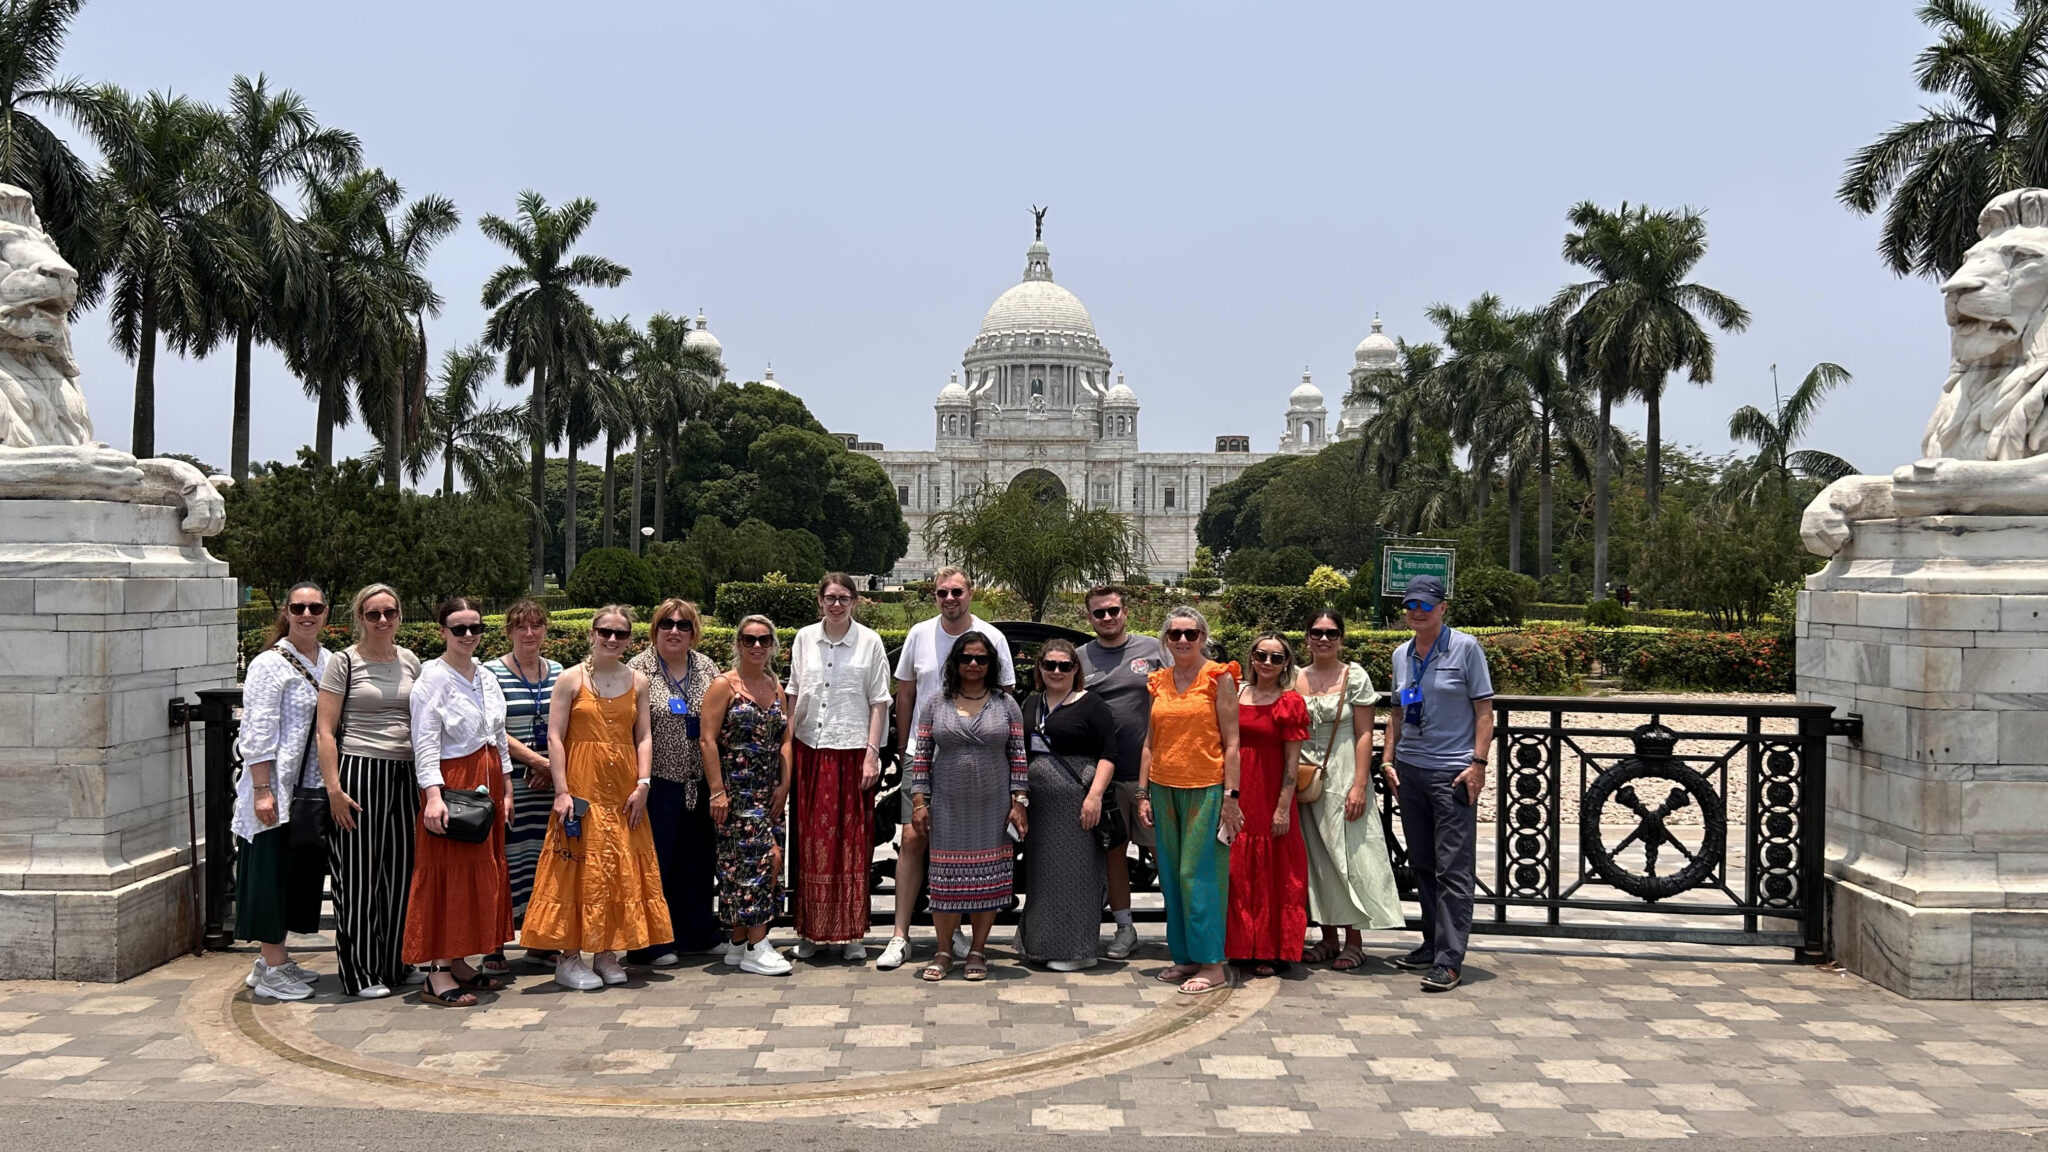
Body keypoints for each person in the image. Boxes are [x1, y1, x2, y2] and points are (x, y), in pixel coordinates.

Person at [520, 606, 672, 991]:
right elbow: (555, 737)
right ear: (592, 633)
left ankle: (607, 951)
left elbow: (643, 736)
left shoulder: (637, 681)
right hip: (582, 787)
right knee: (576, 866)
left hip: (622, 790)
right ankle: (569, 957)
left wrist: (643, 783)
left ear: (629, 639)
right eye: (605, 631)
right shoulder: (570, 679)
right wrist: (562, 790)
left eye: (620, 634)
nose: (612, 639)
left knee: (618, 865)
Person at [879, 566, 1017, 971]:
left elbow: (1005, 698)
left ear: (970, 593)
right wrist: (906, 747)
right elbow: (905, 692)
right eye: (942, 592)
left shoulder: (993, 637)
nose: (950, 598)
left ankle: (957, 934)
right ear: (934, 595)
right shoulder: (920, 633)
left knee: (972, 844)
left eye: (957, 591)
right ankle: (900, 934)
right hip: (925, 752)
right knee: (914, 837)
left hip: (978, 759)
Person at [1380, 575, 1494, 993]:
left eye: (1425, 605)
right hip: (1410, 770)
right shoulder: (1401, 654)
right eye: (1411, 604)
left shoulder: (1465, 648)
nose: (1417, 611)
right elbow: (1396, 712)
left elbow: (1484, 711)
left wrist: (1478, 764)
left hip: (1452, 773)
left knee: (1454, 869)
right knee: (1423, 863)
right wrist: (1388, 759)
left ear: (1443, 608)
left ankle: (1450, 959)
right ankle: (1431, 943)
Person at [403, 598, 515, 1008]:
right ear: (442, 633)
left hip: (486, 785)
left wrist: (507, 784)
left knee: (479, 875)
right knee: (448, 874)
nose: (469, 635)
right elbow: (426, 743)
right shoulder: (433, 679)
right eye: (459, 628)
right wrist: (433, 797)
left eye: (475, 627)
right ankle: (437, 971)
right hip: (453, 786)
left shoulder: (485, 676)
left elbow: (498, 736)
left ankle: (462, 960)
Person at [315, 583, 424, 998]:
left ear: (400, 615)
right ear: (359, 617)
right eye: (373, 614)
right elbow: (326, 731)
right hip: (360, 769)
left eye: (390, 613)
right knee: (358, 876)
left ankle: (396, 961)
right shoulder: (344, 662)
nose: (382, 621)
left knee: (400, 873)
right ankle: (359, 972)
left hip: (405, 773)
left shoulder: (410, 660)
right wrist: (334, 789)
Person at [233, 582, 331, 1000]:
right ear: (286, 612)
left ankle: (275, 960)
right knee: (269, 874)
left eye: (315, 607)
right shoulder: (268, 665)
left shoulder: (328, 661)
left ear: (326, 612)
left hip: (310, 787)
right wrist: (261, 789)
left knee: (296, 875)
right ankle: (272, 966)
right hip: (276, 785)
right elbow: (256, 728)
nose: (307, 614)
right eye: (299, 607)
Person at [909, 631, 1026, 982]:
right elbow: (922, 755)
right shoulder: (936, 702)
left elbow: (1018, 757)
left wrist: (1019, 802)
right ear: (955, 663)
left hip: (992, 803)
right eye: (966, 658)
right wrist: (918, 800)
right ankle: (944, 950)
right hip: (948, 802)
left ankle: (977, 949)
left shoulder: (1006, 705)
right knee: (945, 879)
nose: (973, 664)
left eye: (981, 659)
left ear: (992, 664)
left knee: (987, 879)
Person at [1137, 606, 1242, 996]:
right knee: (1170, 875)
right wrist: (1143, 793)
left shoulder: (1218, 677)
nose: (1183, 640)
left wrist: (1231, 797)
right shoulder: (1159, 681)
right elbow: (1150, 742)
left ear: (1203, 637)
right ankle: (1183, 957)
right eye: (1175, 634)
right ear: (1165, 639)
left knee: (1198, 876)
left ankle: (1212, 962)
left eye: (1191, 634)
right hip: (1164, 788)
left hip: (1206, 788)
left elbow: (1232, 743)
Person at [786, 574, 892, 961]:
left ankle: (850, 933)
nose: (836, 605)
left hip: (850, 752)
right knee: (811, 842)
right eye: (830, 598)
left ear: (855, 601)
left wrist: (871, 753)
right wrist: (786, 746)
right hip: (811, 750)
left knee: (850, 843)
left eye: (844, 598)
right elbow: (794, 692)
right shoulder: (803, 638)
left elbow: (880, 701)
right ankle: (811, 932)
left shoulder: (869, 642)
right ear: (820, 601)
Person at [1296, 609, 1403, 970]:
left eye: (1331, 632)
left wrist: (1360, 783)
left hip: (1343, 771)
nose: (1323, 639)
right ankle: (1327, 937)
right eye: (1317, 632)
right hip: (1307, 775)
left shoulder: (1353, 675)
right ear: (1307, 637)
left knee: (1349, 856)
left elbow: (1364, 733)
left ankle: (1354, 939)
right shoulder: (1295, 677)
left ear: (1342, 637)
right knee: (1317, 857)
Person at [625, 598, 723, 965]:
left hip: (698, 782)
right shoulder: (639, 669)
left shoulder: (706, 668)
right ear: (655, 628)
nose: (675, 631)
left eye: (683, 625)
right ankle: (650, 944)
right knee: (655, 864)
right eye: (667, 623)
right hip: (656, 782)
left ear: (694, 631)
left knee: (696, 861)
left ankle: (696, 934)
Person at [700, 615, 794, 976]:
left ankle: (739, 943)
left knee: (764, 862)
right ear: (738, 643)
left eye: (764, 640)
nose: (757, 646)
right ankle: (758, 943)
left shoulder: (774, 685)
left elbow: (785, 738)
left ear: (773, 645)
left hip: (768, 791)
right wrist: (718, 791)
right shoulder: (724, 685)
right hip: (737, 792)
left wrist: (784, 785)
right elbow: (708, 740)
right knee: (756, 863)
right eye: (749, 639)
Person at [1078, 585, 1165, 961]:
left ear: (1126, 612)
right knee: (1114, 852)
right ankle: (1125, 927)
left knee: (1162, 849)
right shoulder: (1080, 658)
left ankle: (1181, 927)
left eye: (1113, 610)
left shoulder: (1154, 649)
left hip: (1151, 773)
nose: (1108, 618)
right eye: (1100, 613)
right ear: (1090, 618)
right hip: (1103, 774)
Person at [1019, 639, 1118, 971]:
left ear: (1076, 669)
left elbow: (1109, 753)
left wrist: (1095, 796)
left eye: (1065, 665)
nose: (1057, 671)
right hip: (1040, 807)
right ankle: (1041, 944)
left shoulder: (1090, 704)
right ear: (1040, 668)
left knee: (1077, 875)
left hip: (1078, 801)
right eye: (1050, 665)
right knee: (1044, 875)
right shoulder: (1032, 703)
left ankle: (1079, 950)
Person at [1225, 632, 1310, 977]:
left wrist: (1282, 806)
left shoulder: (1289, 702)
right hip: (1236, 789)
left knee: (1274, 869)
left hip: (1270, 790)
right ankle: (1242, 945)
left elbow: (1293, 762)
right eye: (1262, 655)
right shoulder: (1235, 692)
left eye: (1277, 658)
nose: (1268, 663)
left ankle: (1272, 948)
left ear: (1287, 663)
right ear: (1252, 657)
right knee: (1236, 868)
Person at [484, 599, 562, 973]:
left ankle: (539, 939)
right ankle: (493, 945)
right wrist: (536, 761)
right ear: (509, 631)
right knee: (506, 862)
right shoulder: (491, 674)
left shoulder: (561, 672)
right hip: (510, 781)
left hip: (550, 784)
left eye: (536, 626)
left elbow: (568, 728)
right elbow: (494, 729)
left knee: (544, 861)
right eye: (521, 627)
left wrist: (551, 769)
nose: (529, 633)